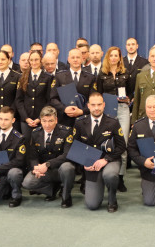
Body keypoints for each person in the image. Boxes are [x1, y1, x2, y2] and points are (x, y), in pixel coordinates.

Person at [73, 92, 126, 212]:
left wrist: (106, 159)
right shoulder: (80, 122)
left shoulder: (113, 122)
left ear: (104, 105)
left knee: (110, 175)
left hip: (110, 160)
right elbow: (75, 146)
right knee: (92, 205)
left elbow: (122, 146)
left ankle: (112, 199)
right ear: (88, 106)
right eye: (93, 105)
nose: (96, 108)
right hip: (90, 163)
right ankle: (99, 184)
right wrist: (84, 163)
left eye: (99, 104)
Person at [21, 106, 76, 207]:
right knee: (27, 183)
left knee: (68, 167)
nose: (47, 125)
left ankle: (66, 195)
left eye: (50, 121)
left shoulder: (66, 131)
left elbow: (67, 155)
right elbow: (33, 157)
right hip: (44, 170)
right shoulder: (35, 133)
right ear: (40, 121)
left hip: (60, 168)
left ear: (56, 120)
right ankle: (52, 189)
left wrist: (47, 164)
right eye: (44, 121)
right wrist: (36, 168)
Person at [96, 46, 134, 192]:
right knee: (105, 142)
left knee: (122, 143)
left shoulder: (126, 73)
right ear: (107, 57)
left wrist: (128, 99)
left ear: (119, 58)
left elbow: (131, 91)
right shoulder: (101, 74)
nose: (113, 58)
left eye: (116, 55)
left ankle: (120, 177)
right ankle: (105, 174)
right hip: (107, 111)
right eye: (111, 55)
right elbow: (98, 93)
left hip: (123, 110)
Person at [50, 48, 97, 128]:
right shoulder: (59, 77)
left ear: (82, 59)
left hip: (84, 120)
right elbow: (53, 98)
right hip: (64, 120)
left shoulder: (91, 77)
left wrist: (82, 111)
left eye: (78, 57)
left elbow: (93, 99)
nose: (75, 60)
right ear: (68, 59)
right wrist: (64, 109)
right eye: (73, 57)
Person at [15, 50, 53, 136]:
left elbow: (49, 100)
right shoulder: (22, 77)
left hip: (43, 119)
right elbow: (19, 100)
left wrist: (40, 118)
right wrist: (26, 118)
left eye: (36, 59)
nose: (33, 62)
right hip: (26, 120)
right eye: (31, 60)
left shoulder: (48, 78)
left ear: (41, 60)